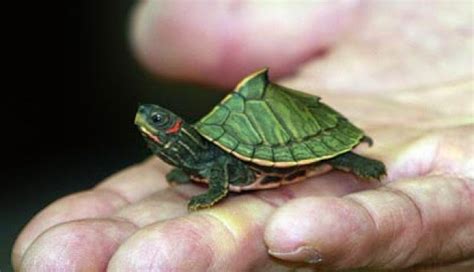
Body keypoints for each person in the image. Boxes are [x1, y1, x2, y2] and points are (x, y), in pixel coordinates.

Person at [12, 1, 473, 271]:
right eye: (152, 121)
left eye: (157, 119)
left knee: (338, 161)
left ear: (174, 130)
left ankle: (347, 154)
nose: (148, 118)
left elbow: (220, 171)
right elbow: (204, 164)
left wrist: (211, 193)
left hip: (292, 141)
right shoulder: (194, 156)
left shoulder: (211, 161)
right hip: (218, 152)